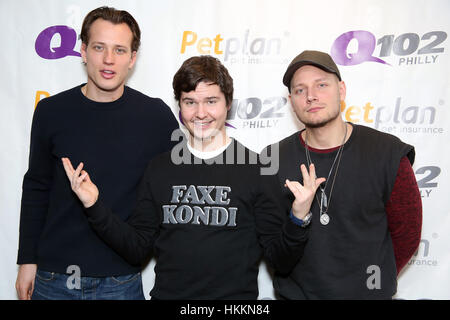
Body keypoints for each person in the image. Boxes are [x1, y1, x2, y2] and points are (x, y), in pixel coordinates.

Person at [61, 55, 321, 299]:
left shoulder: (257, 168)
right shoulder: (159, 168)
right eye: (190, 102)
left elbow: (281, 260)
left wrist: (298, 218)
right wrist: (93, 205)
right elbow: (137, 248)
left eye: (211, 101)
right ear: (180, 106)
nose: (200, 113)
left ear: (227, 103)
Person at [16, 6, 179, 300]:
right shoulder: (51, 111)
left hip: (121, 279)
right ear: (83, 51)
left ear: (132, 58)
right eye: (99, 47)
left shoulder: (155, 116)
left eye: (119, 50)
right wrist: (27, 260)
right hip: (54, 277)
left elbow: (178, 185)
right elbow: (37, 187)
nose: (108, 59)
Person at [264, 50, 422, 299]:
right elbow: (277, 257)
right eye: (300, 90)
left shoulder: (387, 153)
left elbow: (408, 236)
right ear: (292, 101)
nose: (311, 96)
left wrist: (371, 288)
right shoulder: (272, 160)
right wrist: (298, 218)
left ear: (342, 90)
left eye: (321, 85)